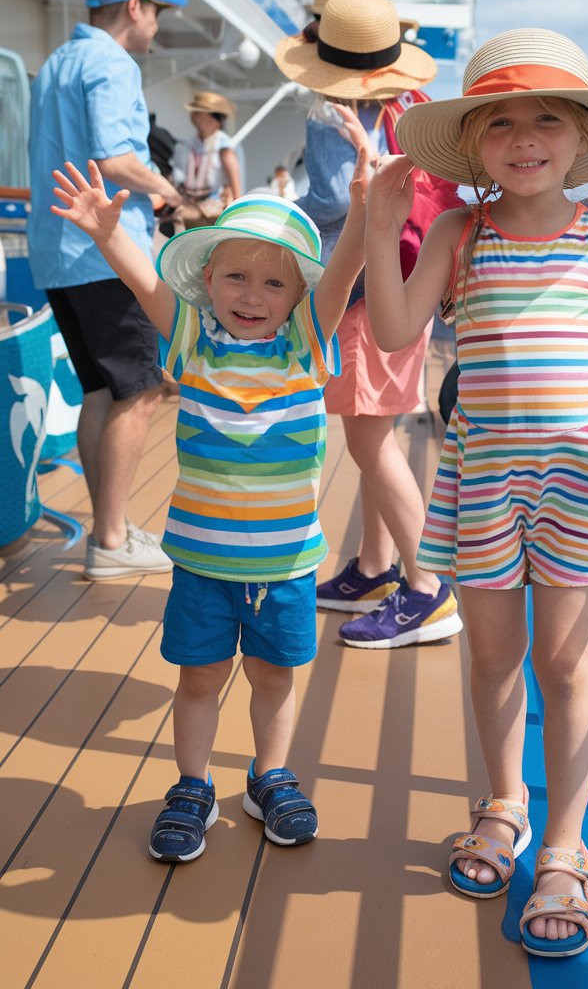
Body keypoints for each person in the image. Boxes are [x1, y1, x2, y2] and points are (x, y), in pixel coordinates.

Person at [364, 28, 588, 957]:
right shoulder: (461, 231)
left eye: (547, 120)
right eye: (500, 124)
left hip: (579, 479)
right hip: (483, 476)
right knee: (492, 656)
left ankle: (567, 848)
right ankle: (505, 804)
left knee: (568, 666)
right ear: (475, 145)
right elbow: (394, 324)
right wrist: (381, 224)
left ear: (583, 138)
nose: (524, 138)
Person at [49, 123, 371, 864]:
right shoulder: (190, 338)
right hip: (202, 561)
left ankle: (270, 775)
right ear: (208, 280)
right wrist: (107, 233)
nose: (252, 296)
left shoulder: (306, 343)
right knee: (199, 681)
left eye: (274, 282)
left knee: (273, 678)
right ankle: (192, 786)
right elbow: (145, 282)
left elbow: (347, 268)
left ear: (298, 295)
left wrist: (360, 209)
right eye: (235, 277)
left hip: (287, 565)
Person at [274, 0, 464, 649]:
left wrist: (281, 217)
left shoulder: (333, 109)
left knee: (367, 440)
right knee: (376, 429)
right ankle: (375, 568)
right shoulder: (408, 104)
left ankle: (427, 589)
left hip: (356, 286)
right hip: (407, 280)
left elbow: (332, 202)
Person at [27, 0, 186, 580]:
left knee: (103, 388)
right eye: (157, 10)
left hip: (55, 251)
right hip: (104, 250)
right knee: (142, 389)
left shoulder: (58, 63)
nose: (158, 25)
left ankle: (108, 530)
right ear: (134, 8)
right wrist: (176, 194)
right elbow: (116, 159)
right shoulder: (112, 62)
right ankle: (113, 539)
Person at [172, 91, 241, 226]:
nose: (193, 116)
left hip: (213, 209)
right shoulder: (188, 145)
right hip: (189, 207)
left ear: (214, 119)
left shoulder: (224, 146)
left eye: (198, 112)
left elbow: (234, 182)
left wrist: (235, 209)